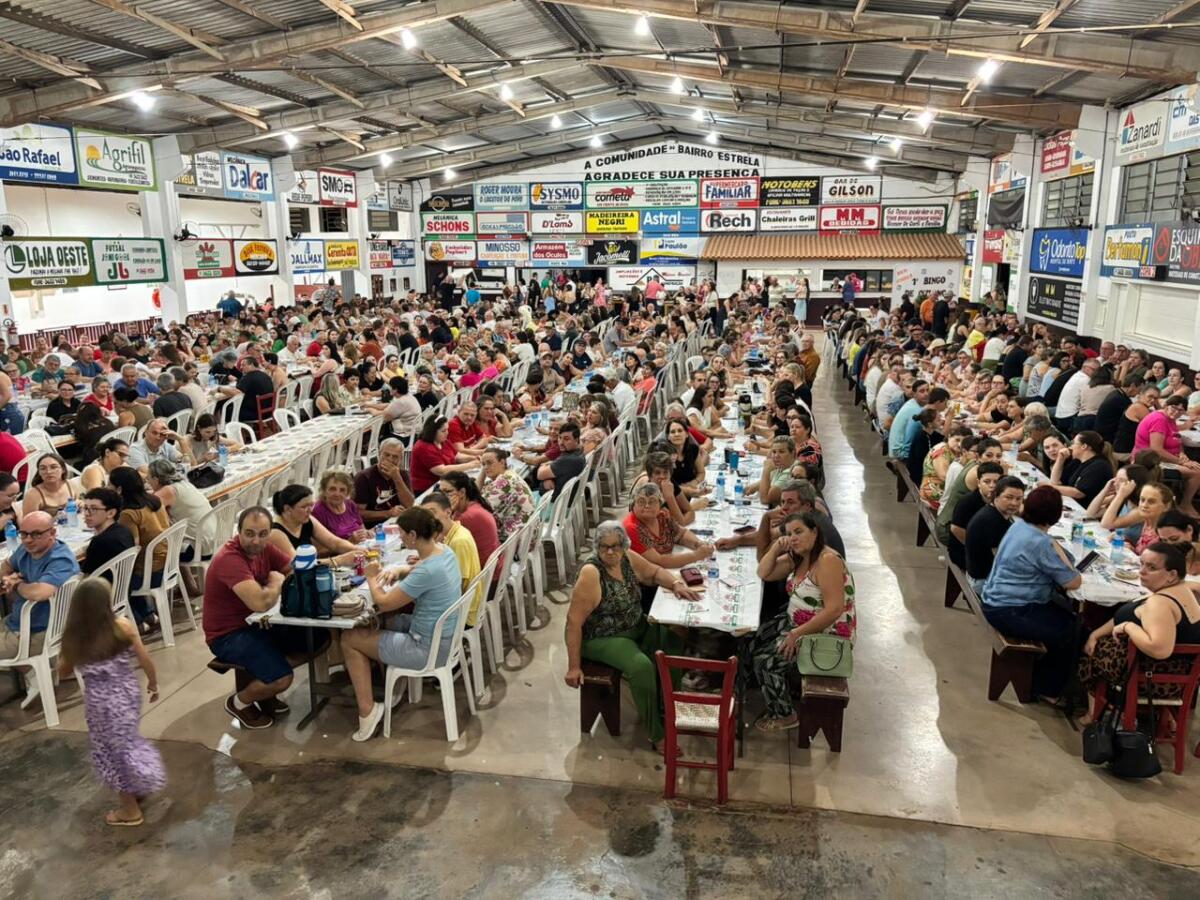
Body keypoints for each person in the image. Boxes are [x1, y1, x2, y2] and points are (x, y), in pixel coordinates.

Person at [563, 520, 699, 746]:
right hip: (602, 636)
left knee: (673, 641)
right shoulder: (591, 573)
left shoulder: (628, 558)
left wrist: (676, 584)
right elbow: (572, 623)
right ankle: (657, 734)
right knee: (641, 666)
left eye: (615, 546)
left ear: (624, 545)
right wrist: (573, 666)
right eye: (603, 546)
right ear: (597, 547)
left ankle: (669, 706)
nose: (610, 552)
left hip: (634, 625)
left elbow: (654, 572)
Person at [343, 507, 464, 741]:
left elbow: (385, 602)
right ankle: (392, 685)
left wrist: (370, 576)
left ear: (412, 536)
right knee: (384, 622)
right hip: (446, 637)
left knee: (350, 638)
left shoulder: (428, 570)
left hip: (426, 649)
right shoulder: (445, 551)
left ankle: (368, 711)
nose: (399, 538)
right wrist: (400, 571)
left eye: (401, 533)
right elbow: (419, 571)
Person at [56, 577, 165, 827]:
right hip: (127, 694)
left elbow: (62, 672)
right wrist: (152, 682)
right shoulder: (123, 626)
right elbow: (145, 658)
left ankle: (129, 810)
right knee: (126, 741)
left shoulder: (75, 639)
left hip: (101, 703)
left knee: (111, 753)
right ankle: (138, 784)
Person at [204, 507, 325, 730]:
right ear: (238, 532)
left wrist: (277, 582)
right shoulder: (229, 559)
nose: (256, 541)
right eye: (249, 533)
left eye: (262, 534)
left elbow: (294, 569)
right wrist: (275, 583)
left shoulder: (265, 548)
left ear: (269, 532)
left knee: (317, 638)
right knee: (283, 679)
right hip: (228, 635)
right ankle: (239, 702)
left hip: (258, 623)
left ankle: (264, 682)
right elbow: (259, 602)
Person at [751, 512, 857, 732]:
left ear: (815, 532)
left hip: (824, 633)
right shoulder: (798, 557)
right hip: (797, 621)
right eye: (789, 534)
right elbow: (764, 572)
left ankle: (785, 714)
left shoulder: (827, 560)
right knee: (753, 636)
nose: (794, 538)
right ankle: (755, 689)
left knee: (765, 661)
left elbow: (835, 609)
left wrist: (797, 634)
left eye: (799, 532)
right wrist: (775, 548)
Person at [980, 486, 1082, 702]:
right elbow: (1073, 581)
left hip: (995, 598)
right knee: (1072, 631)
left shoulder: (1019, 527)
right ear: (1056, 515)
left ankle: (1046, 677)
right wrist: (1055, 547)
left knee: (1063, 613)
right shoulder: (1040, 542)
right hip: (1010, 609)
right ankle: (1047, 688)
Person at [1078, 541, 1200, 715]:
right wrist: (1096, 634)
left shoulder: (1160, 603)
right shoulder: (1181, 589)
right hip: (1176, 672)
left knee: (1088, 652)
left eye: (1151, 567)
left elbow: (1160, 650)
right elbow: (1133, 614)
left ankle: (1095, 714)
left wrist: (1127, 627)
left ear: (1172, 574)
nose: (1141, 571)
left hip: (1155, 678)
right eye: (1141, 564)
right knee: (1092, 638)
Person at [0, 510, 81, 668]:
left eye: (36, 534)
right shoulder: (26, 549)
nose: (28, 540)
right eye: (23, 534)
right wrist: (6, 578)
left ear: (52, 533)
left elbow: (39, 593)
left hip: (39, 633)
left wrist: (16, 584)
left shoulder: (61, 560)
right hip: (15, 623)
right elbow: (7, 565)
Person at [622, 482, 715, 610]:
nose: (647, 506)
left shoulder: (662, 515)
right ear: (633, 505)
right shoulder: (632, 527)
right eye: (641, 501)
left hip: (669, 573)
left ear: (660, 505)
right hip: (648, 586)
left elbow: (681, 533)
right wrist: (696, 555)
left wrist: (698, 543)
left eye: (652, 501)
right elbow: (660, 561)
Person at [110, 466, 171, 629]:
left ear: (119, 489)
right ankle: (148, 614)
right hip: (167, 563)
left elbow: (132, 547)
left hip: (151, 571)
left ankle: (137, 621)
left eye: (110, 485)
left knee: (114, 580)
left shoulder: (129, 513)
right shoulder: (154, 500)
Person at [1133, 394, 1200, 515]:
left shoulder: (1169, 419)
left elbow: (1176, 438)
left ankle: (1180, 501)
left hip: (1166, 458)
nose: (1176, 412)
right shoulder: (1159, 420)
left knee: (1194, 466)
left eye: (1180, 410)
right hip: (1152, 461)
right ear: (1166, 405)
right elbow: (1157, 450)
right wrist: (1183, 462)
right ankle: (1185, 504)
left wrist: (1181, 453)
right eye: (1173, 407)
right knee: (1197, 472)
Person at [266, 483, 364, 564]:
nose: (310, 510)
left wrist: (359, 551)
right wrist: (340, 560)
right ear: (287, 509)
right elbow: (300, 564)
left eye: (311, 505)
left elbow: (334, 542)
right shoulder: (275, 533)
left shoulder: (307, 520)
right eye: (304, 507)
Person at [964, 475, 1024, 598]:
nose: (1015, 503)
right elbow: (1004, 563)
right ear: (995, 495)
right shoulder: (992, 522)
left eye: (1019, 499)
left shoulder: (995, 512)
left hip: (980, 573)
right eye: (1009, 497)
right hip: (984, 582)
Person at [1100, 480, 1176, 555]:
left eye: (1151, 502)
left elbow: (1157, 564)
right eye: (1142, 500)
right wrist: (1126, 545)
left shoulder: (1166, 532)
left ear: (1166, 506)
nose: (1144, 505)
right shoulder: (1148, 522)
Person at [477, 447, 535, 541]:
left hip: (518, 540)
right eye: (483, 464)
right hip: (526, 532)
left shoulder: (504, 482)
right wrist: (485, 469)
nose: (486, 467)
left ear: (502, 462)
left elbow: (476, 503)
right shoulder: (509, 474)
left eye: (490, 463)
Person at [353, 438, 415, 526]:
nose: (390, 459)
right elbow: (357, 513)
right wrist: (387, 513)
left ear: (401, 459)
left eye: (395, 457)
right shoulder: (363, 478)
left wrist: (397, 478)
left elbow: (409, 505)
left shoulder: (402, 474)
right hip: (373, 527)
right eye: (386, 455)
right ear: (379, 454)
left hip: (398, 523)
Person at [410, 416, 477, 495]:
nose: (447, 433)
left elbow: (457, 456)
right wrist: (471, 465)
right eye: (443, 431)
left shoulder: (443, 441)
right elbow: (441, 471)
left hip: (444, 483)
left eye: (447, 429)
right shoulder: (423, 447)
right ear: (433, 432)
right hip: (426, 490)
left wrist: (472, 458)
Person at [1048, 430, 1114, 507]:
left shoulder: (1099, 465)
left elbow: (1079, 493)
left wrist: (1048, 487)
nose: (1070, 447)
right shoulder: (1077, 461)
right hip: (1073, 504)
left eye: (1073, 443)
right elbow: (1055, 482)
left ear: (1084, 446)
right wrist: (1060, 459)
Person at [79, 488, 136, 577]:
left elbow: (86, 577)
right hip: (123, 587)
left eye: (93, 509)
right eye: (85, 508)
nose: (86, 513)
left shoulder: (100, 542)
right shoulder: (125, 531)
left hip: (102, 589)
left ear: (111, 513)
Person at [311, 469, 370, 543]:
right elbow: (318, 550)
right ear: (324, 491)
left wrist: (367, 533)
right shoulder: (318, 512)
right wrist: (349, 541)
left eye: (342, 490)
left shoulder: (350, 504)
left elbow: (362, 529)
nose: (337, 494)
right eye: (332, 489)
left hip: (359, 548)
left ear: (347, 493)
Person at [534, 421, 585, 498]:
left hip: (553, 503)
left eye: (566, 439)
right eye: (560, 438)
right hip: (562, 495)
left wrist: (543, 465)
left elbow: (540, 475)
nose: (561, 443)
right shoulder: (578, 452)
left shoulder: (568, 460)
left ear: (576, 440)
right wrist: (546, 480)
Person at [22, 453, 76, 519]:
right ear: (39, 472)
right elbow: (28, 525)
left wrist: (80, 504)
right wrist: (58, 518)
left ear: (63, 470)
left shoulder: (70, 484)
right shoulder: (32, 495)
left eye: (53, 467)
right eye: (43, 468)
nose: (48, 471)